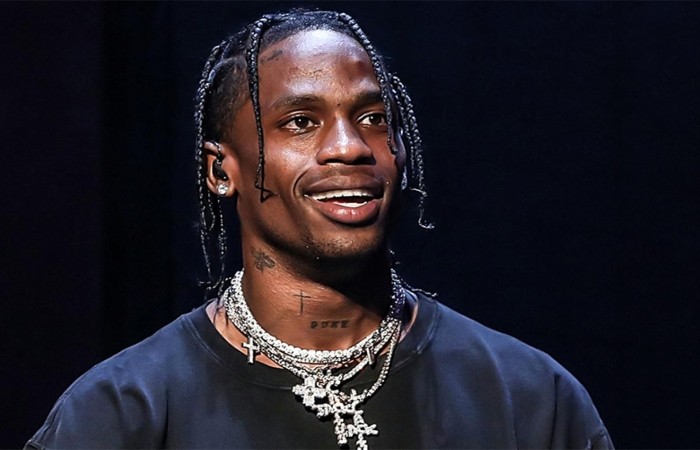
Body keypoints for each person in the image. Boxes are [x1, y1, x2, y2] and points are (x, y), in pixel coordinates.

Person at [26, 10, 613, 450]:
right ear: (221, 171)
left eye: (372, 118)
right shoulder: (121, 414)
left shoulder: (529, 399)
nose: (349, 147)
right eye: (301, 121)